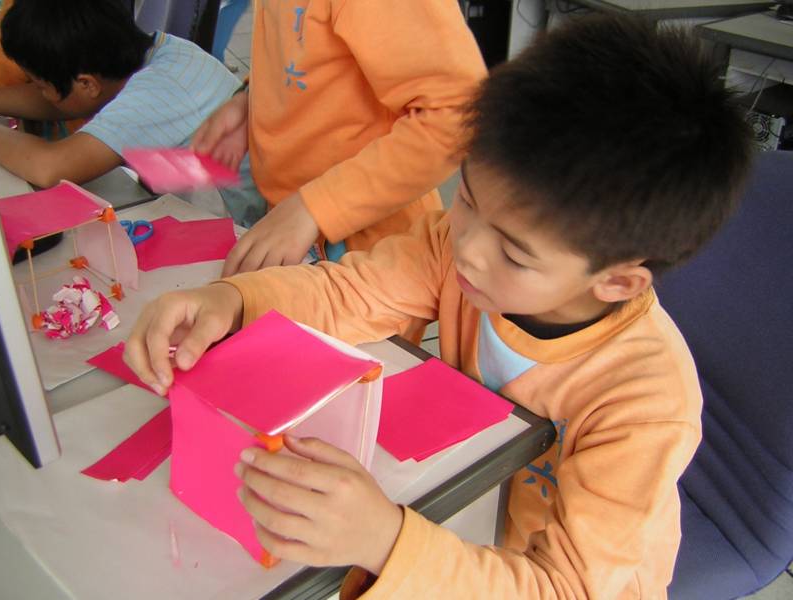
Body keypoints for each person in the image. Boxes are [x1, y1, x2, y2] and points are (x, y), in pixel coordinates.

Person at [124, 15, 754, 599]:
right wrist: (233, 299)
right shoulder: (453, 250)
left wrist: (386, 541)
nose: (469, 251)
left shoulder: (646, 402)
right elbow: (350, 292)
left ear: (616, 283)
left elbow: (569, 588)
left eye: (514, 253)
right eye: (468, 200)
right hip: (465, 517)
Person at [191, 0, 487, 275]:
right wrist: (251, 102)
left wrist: (316, 207)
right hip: (294, 227)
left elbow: (457, 114)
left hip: (365, 254)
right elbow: (308, 52)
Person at [0, 0, 262, 227]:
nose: (39, 93)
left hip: (233, 225)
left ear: (87, 84)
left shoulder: (155, 92)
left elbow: (51, 167)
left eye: (40, 86)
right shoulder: (152, 51)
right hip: (194, 195)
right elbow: (60, 100)